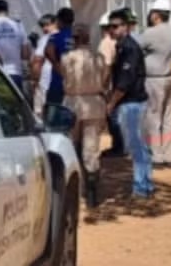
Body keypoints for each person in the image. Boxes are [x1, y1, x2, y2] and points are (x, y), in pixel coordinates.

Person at [105, 8, 154, 199]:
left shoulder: (130, 48)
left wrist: (111, 103)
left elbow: (124, 82)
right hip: (132, 102)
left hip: (132, 102)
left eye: (116, 26)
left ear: (126, 27)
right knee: (139, 146)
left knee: (136, 147)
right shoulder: (122, 46)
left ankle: (141, 187)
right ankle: (145, 184)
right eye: (110, 27)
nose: (112, 30)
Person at [61, 25, 108, 208]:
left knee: (72, 146)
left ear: (75, 39)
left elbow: (64, 75)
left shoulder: (67, 58)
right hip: (94, 104)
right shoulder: (99, 59)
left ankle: (77, 188)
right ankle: (92, 193)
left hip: (73, 103)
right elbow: (105, 78)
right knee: (92, 148)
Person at [142, 0, 171, 169]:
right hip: (168, 78)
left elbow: (136, 48)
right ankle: (169, 156)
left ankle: (157, 156)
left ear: (155, 15)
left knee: (153, 118)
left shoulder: (151, 33)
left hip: (154, 79)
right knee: (168, 118)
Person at [98, 11, 126, 158]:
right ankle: (120, 145)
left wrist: (103, 86)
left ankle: (118, 146)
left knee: (112, 116)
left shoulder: (106, 43)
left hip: (109, 84)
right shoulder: (117, 42)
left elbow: (107, 67)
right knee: (116, 115)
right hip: (115, 82)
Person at [43, 8, 74, 108]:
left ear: (59, 20)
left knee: (53, 114)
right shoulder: (77, 38)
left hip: (57, 82)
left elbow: (48, 50)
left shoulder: (55, 37)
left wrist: (55, 64)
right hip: (74, 84)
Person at [31, 14, 58, 115]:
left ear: (55, 23)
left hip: (45, 82)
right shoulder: (65, 37)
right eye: (42, 25)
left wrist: (34, 81)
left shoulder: (45, 39)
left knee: (40, 113)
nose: (44, 28)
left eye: (47, 25)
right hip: (59, 83)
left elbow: (37, 61)